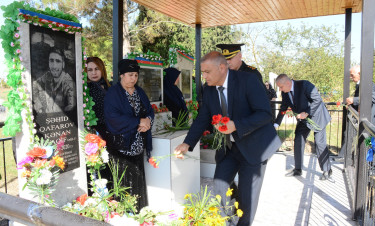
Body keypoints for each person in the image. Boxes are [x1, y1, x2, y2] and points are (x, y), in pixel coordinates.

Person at [174, 51, 281, 225]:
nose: (204, 76)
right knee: (219, 187)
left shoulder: (248, 81)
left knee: (248, 198)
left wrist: (236, 124)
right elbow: (202, 118)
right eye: (202, 72)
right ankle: (228, 221)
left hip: (255, 148)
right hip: (231, 148)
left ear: (222, 68)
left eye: (207, 72)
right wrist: (187, 143)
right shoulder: (208, 89)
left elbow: (265, 114)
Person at [104, 59, 154, 211]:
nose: (133, 78)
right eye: (130, 75)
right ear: (121, 75)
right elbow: (113, 118)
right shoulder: (113, 93)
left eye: (136, 75)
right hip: (121, 149)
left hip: (138, 147)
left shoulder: (139, 92)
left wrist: (148, 122)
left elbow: (150, 111)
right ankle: (126, 214)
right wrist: (138, 121)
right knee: (125, 184)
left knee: (138, 182)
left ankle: (140, 212)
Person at [274, 74, 332, 180]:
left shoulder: (305, 85)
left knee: (319, 143)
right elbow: (283, 108)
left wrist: (306, 113)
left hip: (317, 117)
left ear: (287, 83)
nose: (280, 89)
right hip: (303, 120)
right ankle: (298, 169)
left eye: (281, 87)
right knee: (298, 141)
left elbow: (317, 100)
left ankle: (327, 170)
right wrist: (276, 123)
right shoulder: (285, 93)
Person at [33, 48, 76, 113]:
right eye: (51, 61)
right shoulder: (47, 75)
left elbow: (71, 107)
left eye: (58, 61)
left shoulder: (69, 83)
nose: (54, 66)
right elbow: (34, 86)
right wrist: (39, 107)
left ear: (63, 64)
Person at [85, 57, 111, 137]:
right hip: (96, 134)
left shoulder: (110, 86)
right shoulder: (85, 89)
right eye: (90, 70)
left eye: (97, 69)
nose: (94, 73)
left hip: (113, 131)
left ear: (102, 69)